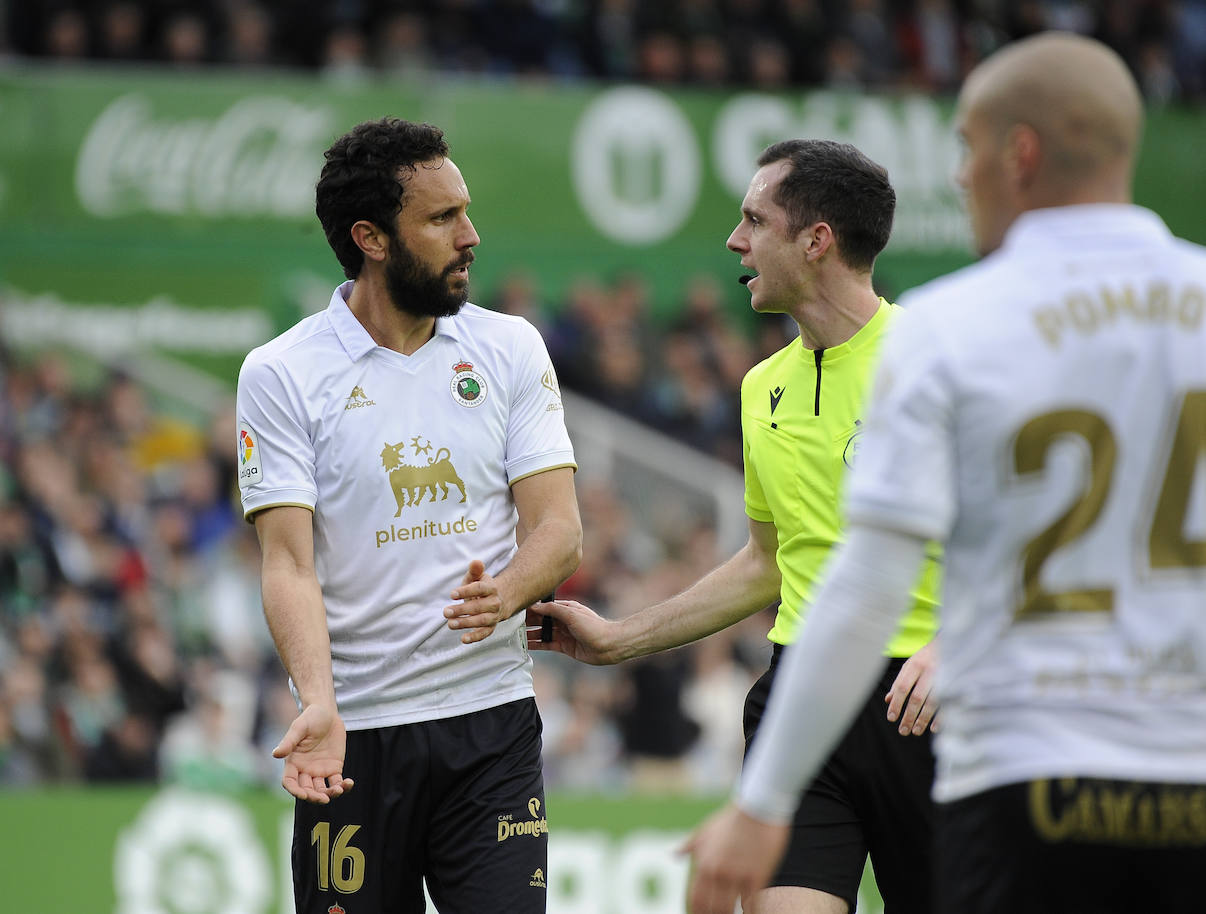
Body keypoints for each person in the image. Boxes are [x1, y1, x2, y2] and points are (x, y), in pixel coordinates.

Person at [685, 32, 1206, 914]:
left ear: (1022, 155)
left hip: (1021, 768)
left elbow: (865, 587)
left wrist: (760, 800)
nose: (961, 176)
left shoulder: (947, 329)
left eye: (966, 149)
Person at [529, 139, 943, 914]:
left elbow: (1035, 539)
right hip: (803, 698)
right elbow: (766, 562)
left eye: (755, 220)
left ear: (816, 241)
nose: (735, 240)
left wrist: (961, 643)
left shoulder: (936, 362)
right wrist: (620, 638)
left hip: (926, 705)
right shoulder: (762, 388)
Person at [236, 117, 581, 913]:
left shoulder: (510, 348)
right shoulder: (282, 372)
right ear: (372, 238)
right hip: (353, 737)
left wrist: (507, 590)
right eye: (441, 218)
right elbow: (287, 563)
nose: (471, 235)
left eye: (465, 210)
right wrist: (316, 701)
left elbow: (559, 529)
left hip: (490, 722)